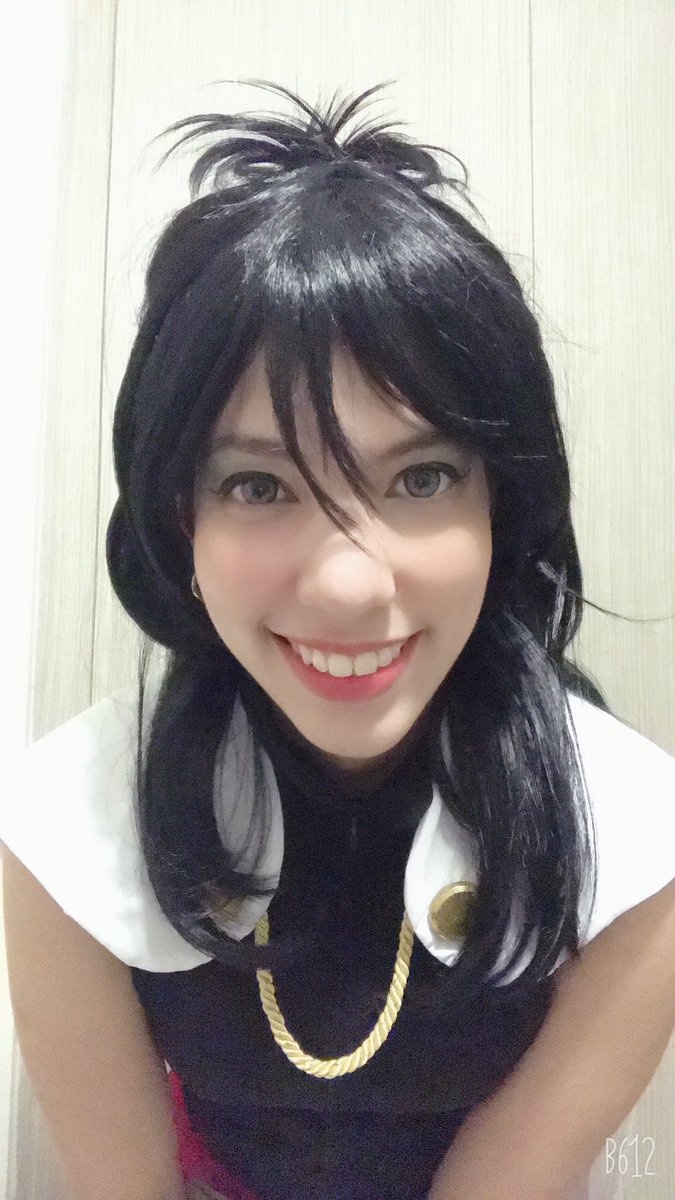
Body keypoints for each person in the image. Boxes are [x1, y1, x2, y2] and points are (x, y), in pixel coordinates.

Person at [2, 80, 674, 1200]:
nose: (350, 585)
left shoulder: (638, 846)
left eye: (423, 477)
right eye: (260, 485)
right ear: (180, 516)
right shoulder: (64, 826)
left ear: (502, 504)